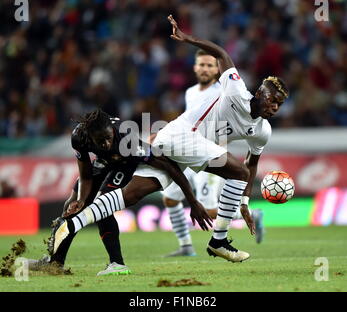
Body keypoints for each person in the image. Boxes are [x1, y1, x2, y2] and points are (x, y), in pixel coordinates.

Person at [49, 15, 288, 263]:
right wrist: (187, 38)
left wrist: (245, 201)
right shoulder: (236, 89)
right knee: (237, 173)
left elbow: (253, 161)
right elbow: (221, 53)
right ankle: (219, 241)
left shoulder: (263, 130)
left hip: (188, 148)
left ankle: (75, 223)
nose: (274, 106)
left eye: (279, 104)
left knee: (131, 194)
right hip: (182, 136)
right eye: (271, 99)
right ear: (260, 92)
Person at [29, 109, 211, 275]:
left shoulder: (127, 140)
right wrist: (82, 200)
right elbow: (85, 176)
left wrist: (193, 202)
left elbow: (170, 167)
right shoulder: (79, 137)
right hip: (103, 162)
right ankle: (55, 263)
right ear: (90, 137)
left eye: (109, 137)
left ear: (113, 131)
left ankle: (117, 263)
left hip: (125, 164)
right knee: (71, 204)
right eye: (101, 141)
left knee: (102, 206)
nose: (107, 143)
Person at [162, 50, 264, 257]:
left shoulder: (223, 91)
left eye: (210, 65)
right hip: (188, 151)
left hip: (209, 157)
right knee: (169, 198)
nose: (205, 69)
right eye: (201, 65)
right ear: (195, 67)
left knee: (208, 211)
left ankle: (252, 215)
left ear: (218, 69)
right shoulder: (190, 92)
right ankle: (186, 246)